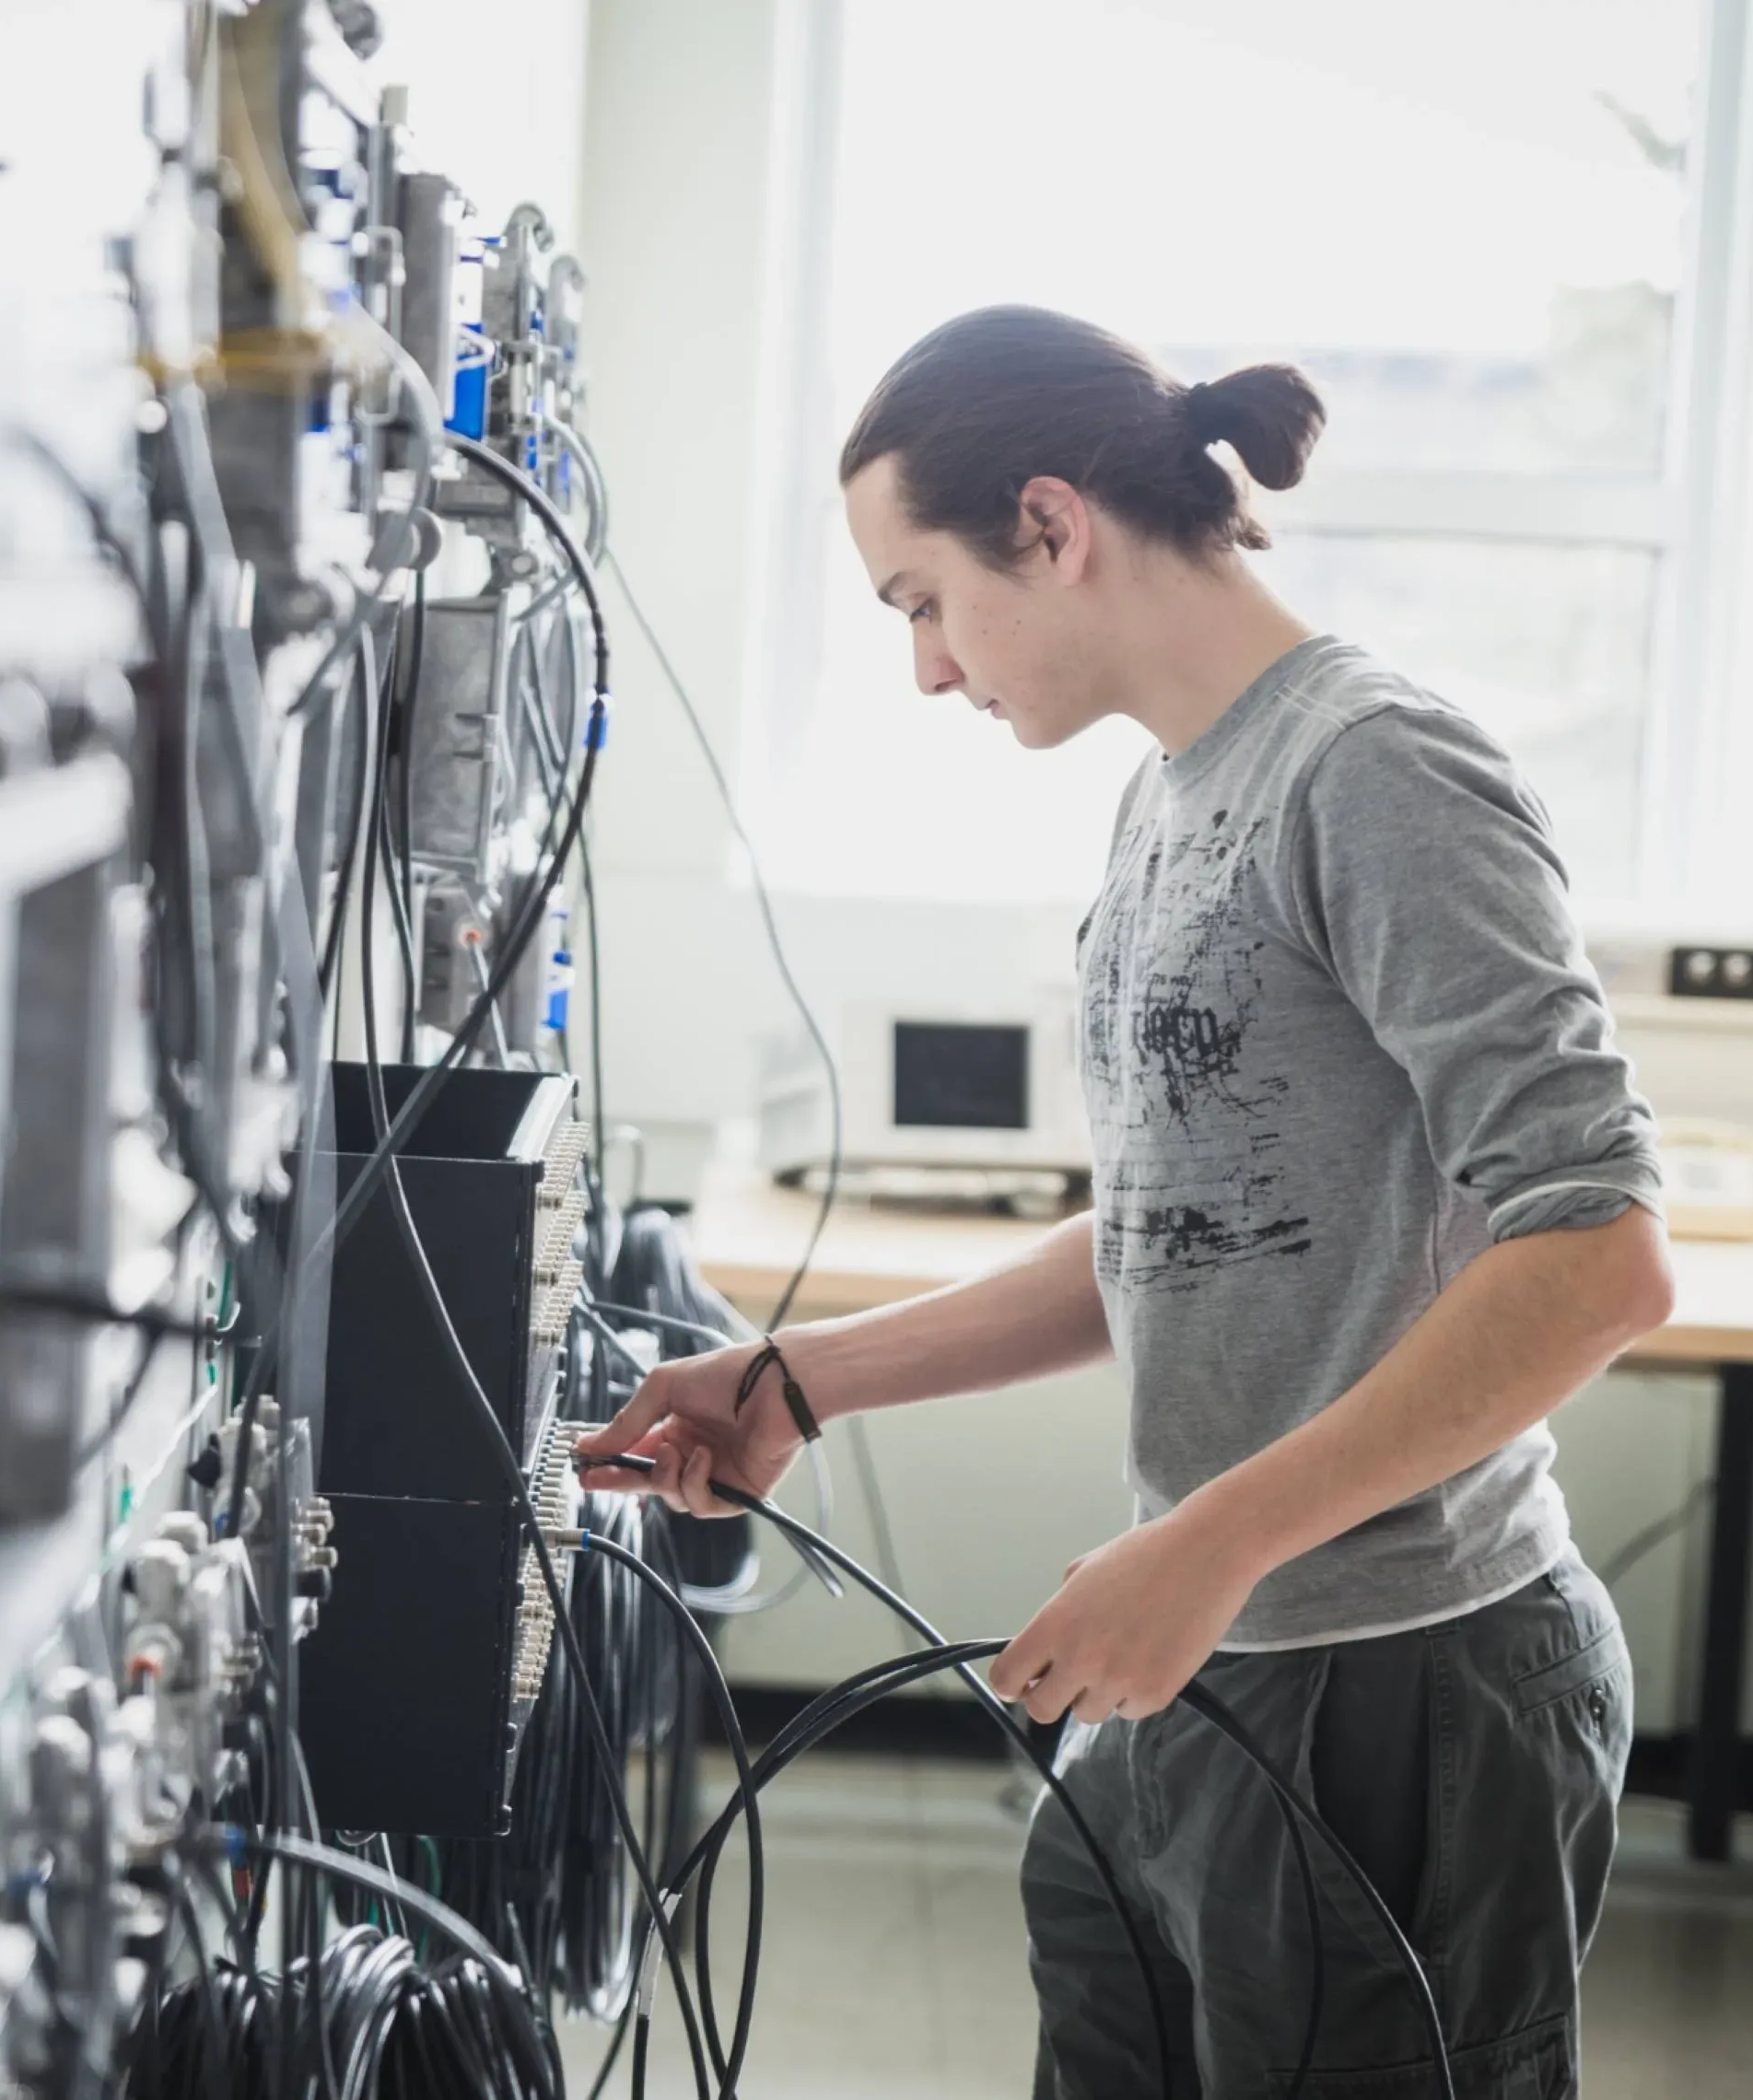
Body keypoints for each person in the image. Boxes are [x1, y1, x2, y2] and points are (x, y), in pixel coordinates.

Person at [576, 304, 1672, 2097]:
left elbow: (1598, 1257)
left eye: (921, 600)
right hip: (1200, 1672)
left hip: (1398, 1690)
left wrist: (1214, 1542)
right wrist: (797, 1383)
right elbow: (1172, 1231)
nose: (927, 668)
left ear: (1054, 524)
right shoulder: (1175, 797)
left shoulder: (1377, 773)